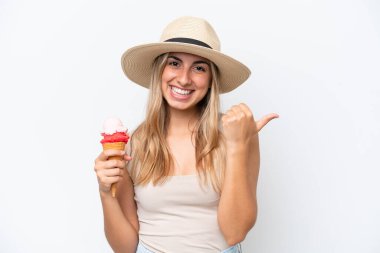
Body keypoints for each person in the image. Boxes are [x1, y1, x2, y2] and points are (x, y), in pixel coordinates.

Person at [94, 16, 278, 253]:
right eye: (174, 63)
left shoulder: (238, 134)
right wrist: (105, 193)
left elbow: (235, 232)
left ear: (212, 80)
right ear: (159, 71)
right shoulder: (133, 144)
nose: (183, 78)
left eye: (199, 68)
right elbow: (125, 248)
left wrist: (236, 146)